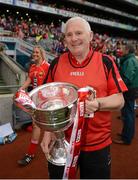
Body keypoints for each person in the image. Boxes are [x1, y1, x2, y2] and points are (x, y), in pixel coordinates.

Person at [41, 17, 127, 179]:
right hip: (62, 143)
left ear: (90, 36)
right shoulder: (56, 63)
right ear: (65, 39)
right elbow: (46, 102)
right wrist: (47, 131)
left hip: (97, 146)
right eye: (69, 35)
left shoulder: (105, 61)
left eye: (79, 33)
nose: (74, 38)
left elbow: (119, 100)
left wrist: (98, 104)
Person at [17, 45, 49, 166]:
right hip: (35, 101)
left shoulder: (47, 67)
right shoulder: (32, 67)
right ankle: (30, 154)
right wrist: (20, 89)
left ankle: (55, 147)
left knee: (50, 126)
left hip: (46, 101)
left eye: (37, 52)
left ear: (41, 53)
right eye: (33, 52)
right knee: (36, 126)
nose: (34, 54)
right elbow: (29, 81)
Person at [113, 43, 138, 145]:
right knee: (129, 113)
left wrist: (117, 85)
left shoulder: (129, 61)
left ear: (127, 50)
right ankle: (127, 134)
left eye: (123, 48)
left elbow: (126, 78)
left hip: (129, 89)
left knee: (127, 114)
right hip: (132, 89)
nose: (121, 49)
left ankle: (126, 138)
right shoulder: (130, 59)